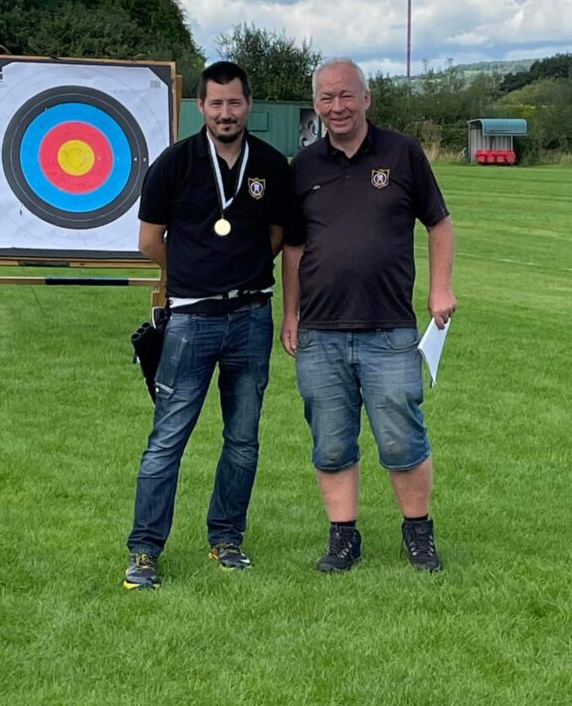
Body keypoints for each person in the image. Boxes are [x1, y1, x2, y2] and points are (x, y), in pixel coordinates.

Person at [282, 58, 457, 573]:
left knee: (402, 436)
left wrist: (440, 288)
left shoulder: (402, 154)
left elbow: (440, 224)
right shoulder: (305, 166)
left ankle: (418, 533)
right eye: (326, 98)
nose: (337, 107)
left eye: (346, 96)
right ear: (315, 105)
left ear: (366, 98)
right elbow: (293, 249)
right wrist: (290, 313)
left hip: (390, 329)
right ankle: (343, 539)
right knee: (331, 441)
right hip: (320, 331)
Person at [124, 61, 292, 590]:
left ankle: (226, 538)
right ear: (201, 107)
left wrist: (237, 273)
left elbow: (276, 235)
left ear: (248, 104)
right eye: (216, 104)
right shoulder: (175, 163)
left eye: (235, 103)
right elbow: (150, 241)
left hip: (250, 316)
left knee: (242, 438)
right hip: (192, 320)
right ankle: (144, 551)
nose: (226, 112)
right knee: (167, 438)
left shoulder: (270, 164)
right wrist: (191, 276)